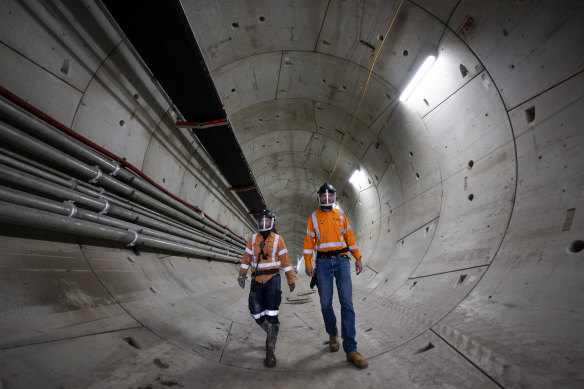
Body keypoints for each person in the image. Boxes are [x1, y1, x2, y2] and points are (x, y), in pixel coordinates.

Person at [303, 183, 368, 368]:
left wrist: (357, 257)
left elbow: (350, 238)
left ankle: (351, 349)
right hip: (322, 263)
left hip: (341, 261)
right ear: (319, 198)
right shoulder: (313, 218)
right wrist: (308, 262)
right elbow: (308, 242)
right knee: (325, 304)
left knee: (347, 303)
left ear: (334, 197)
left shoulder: (340, 215)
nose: (327, 199)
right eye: (323, 196)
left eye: (330, 196)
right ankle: (332, 333)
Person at [237, 209, 295, 367]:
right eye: (261, 221)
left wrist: (291, 279)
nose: (264, 224)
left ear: (272, 222)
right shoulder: (252, 239)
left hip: (273, 281)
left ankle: (270, 350)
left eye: (267, 221)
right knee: (256, 313)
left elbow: (286, 260)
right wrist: (242, 275)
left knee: (272, 315)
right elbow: (246, 259)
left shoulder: (278, 239)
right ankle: (271, 331)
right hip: (256, 281)